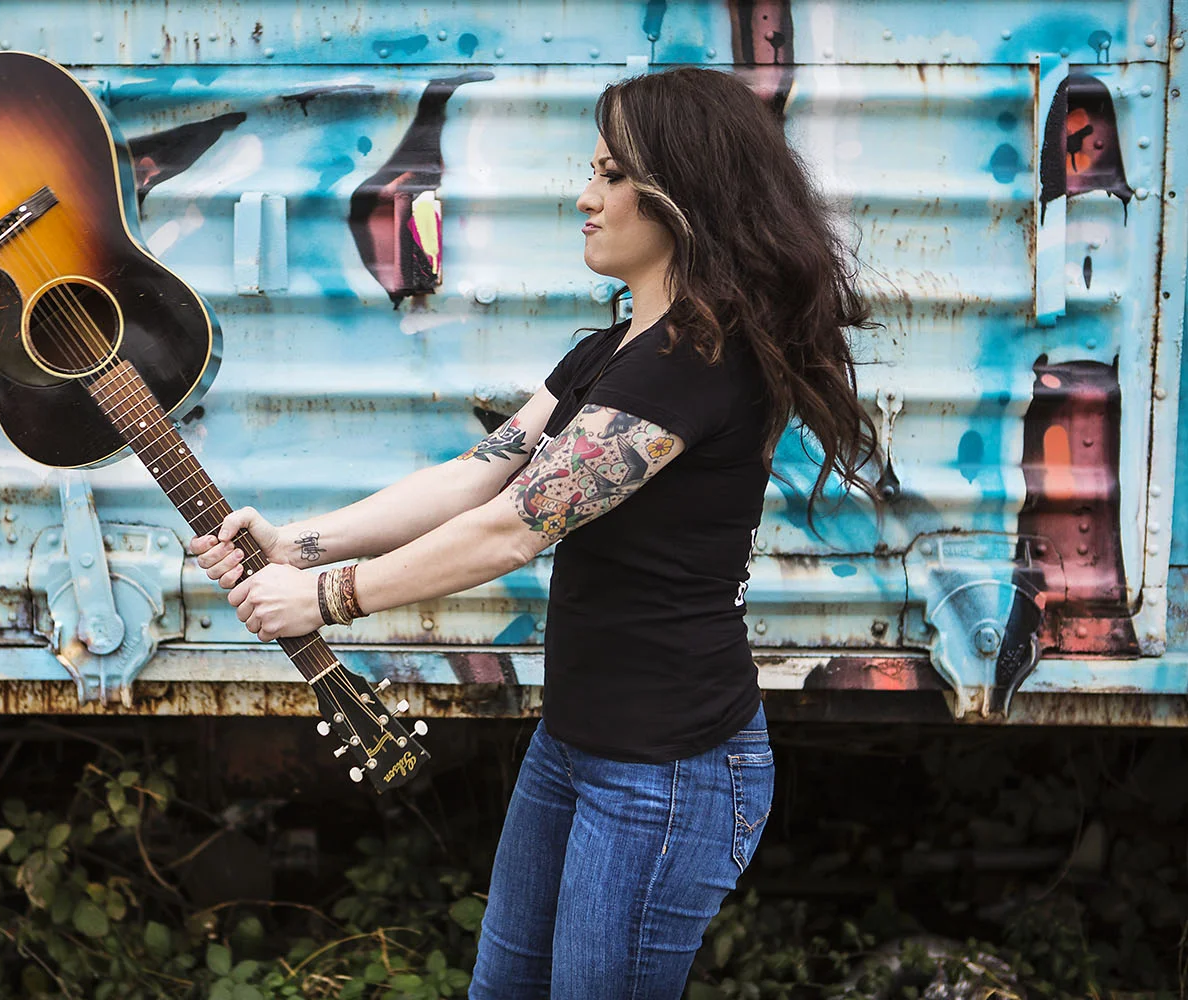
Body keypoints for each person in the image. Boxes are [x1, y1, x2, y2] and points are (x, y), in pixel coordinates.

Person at [189, 67, 877, 999]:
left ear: (679, 193)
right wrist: (296, 545)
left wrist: (324, 599)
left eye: (609, 174)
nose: (584, 199)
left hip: (666, 776)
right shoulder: (613, 351)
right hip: (577, 746)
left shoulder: (693, 366)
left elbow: (514, 529)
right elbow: (478, 474)